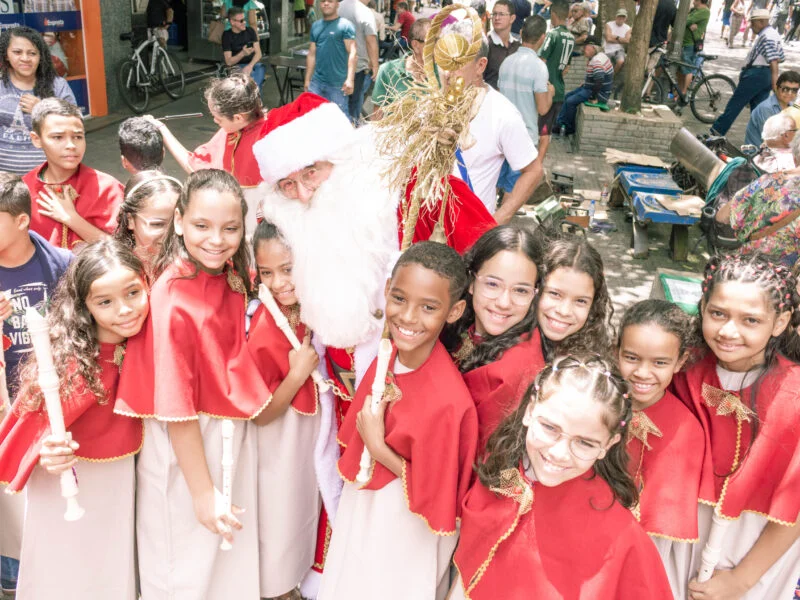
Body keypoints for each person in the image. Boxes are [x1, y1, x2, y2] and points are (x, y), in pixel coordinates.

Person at [114, 169, 269, 599]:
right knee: (182, 568)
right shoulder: (172, 295)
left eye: (230, 228)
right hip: (187, 450)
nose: (216, 239)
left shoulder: (227, 274)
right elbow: (175, 405)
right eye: (202, 226)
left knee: (221, 566)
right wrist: (203, 493)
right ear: (179, 221)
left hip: (224, 437)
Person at [318, 241, 479, 600]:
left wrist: (378, 446)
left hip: (409, 525)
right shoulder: (388, 354)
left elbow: (439, 495)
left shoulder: (449, 401)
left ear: (454, 312)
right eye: (400, 298)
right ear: (387, 290)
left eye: (428, 307)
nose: (407, 317)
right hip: (366, 507)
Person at [449, 354, 673, 599]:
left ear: (608, 444)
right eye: (549, 428)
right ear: (530, 411)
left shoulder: (620, 535)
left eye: (584, 443)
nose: (558, 453)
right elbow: (469, 570)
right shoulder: (501, 472)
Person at [0, 239, 148, 600]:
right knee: (64, 578)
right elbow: (31, 429)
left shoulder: (149, 346)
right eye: (105, 302)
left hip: (123, 487)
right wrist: (46, 451)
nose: (125, 309)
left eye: (133, 293)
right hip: (70, 485)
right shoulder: (68, 363)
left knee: (113, 577)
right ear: (84, 307)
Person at [672, 253, 800, 600]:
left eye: (751, 320)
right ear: (702, 308)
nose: (729, 331)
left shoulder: (795, 395)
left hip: (752, 554)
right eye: (718, 314)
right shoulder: (679, 368)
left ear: (780, 322)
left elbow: (795, 507)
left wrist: (741, 581)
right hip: (680, 539)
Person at [0, 172, 72, 596]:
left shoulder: (61, 264)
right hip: (6, 413)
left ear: (23, 221)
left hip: (55, 408)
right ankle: (14, 579)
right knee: (13, 511)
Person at [247, 220, 324, 600]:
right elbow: (260, 413)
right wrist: (295, 376)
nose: (279, 283)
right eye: (267, 273)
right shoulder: (264, 323)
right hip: (277, 445)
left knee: (300, 517)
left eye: (288, 268)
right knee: (279, 522)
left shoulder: (319, 306)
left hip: (307, 444)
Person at [616, 300, 707, 599]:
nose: (643, 373)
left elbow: (660, 534)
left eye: (659, 362)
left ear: (679, 362)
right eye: (631, 357)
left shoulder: (685, 432)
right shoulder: (597, 403)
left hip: (636, 557)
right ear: (616, 351)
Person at [443, 224, 546, 451]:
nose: (504, 302)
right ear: (471, 281)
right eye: (492, 284)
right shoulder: (460, 322)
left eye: (520, 290)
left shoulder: (514, 369)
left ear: (535, 293)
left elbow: (473, 456)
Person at [441, 19, 541, 222]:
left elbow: (534, 171)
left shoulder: (502, 113)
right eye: (443, 60)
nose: (447, 71)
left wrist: (496, 221)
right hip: (426, 230)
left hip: (468, 233)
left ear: (480, 66)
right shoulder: (431, 105)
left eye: (457, 62)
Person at [148, 73, 266, 236]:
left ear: (238, 117)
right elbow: (196, 164)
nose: (215, 122)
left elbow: (197, 169)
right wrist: (162, 129)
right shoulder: (235, 129)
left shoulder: (265, 141)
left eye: (218, 119)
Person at [23, 98, 123, 250]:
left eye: (78, 137)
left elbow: (122, 251)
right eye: (58, 137)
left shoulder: (107, 188)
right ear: (36, 139)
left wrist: (72, 218)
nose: (71, 145)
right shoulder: (24, 189)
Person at [0, 27, 76, 174]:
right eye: (17, 52)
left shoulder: (57, 85)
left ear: (41, 56)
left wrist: (42, 109)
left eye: (32, 53)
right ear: (6, 55)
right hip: (4, 182)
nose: (25, 58)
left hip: (50, 177)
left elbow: (74, 126)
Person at [716, 134, 800, 265]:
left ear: (794, 158)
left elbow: (722, 216)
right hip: (790, 277)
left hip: (753, 268)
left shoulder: (767, 182)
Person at [535, 236, 613, 361]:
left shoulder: (591, 361)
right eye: (555, 294)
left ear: (593, 305)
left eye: (581, 301)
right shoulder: (508, 342)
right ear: (536, 287)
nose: (564, 311)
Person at [713, 9, 785, 136]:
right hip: (763, 75)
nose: (751, 26)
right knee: (758, 111)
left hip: (756, 75)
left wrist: (775, 85)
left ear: (762, 21)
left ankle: (716, 132)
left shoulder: (767, 36)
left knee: (734, 105)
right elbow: (780, 57)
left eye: (753, 23)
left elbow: (774, 61)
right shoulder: (773, 34)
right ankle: (763, 140)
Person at [498, 15, 554, 149]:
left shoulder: (506, 62)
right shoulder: (539, 67)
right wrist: (550, 93)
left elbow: (499, 100)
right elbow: (542, 109)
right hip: (525, 139)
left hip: (503, 136)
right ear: (542, 37)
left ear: (522, 33)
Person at [113, 170, 182, 277]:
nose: (171, 234)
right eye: (158, 224)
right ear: (130, 219)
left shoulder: (195, 267)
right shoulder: (114, 271)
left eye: (178, 222)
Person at [538, 0, 575, 163]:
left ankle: (537, 166)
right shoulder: (571, 38)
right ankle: (542, 162)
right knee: (547, 131)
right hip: (560, 89)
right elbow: (566, 69)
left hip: (546, 90)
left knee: (541, 131)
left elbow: (541, 61)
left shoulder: (552, 35)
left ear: (553, 15)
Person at [306, 0, 357, 115]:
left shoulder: (345, 25)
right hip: (316, 84)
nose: (326, 3)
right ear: (320, 4)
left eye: (330, 1)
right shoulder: (315, 26)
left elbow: (353, 53)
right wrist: (307, 79)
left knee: (339, 123)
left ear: (337, 4)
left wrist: (350, 79)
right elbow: (311, 54)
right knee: (313, 119)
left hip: (337, 85)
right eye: (323, 1)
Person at [371, 18, 431, 113]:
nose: (439, 47)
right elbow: (377, 113)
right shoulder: (387, 71)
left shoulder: (443, 73)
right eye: (432, 42)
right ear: (416, 45)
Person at [556, 40, 613, 136]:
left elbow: (599, 82)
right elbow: (597, 78)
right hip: (591, 88)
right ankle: (560, 123)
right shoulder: (600, 56)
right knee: (567, 96)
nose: (583, 49)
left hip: (598, 93)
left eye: (585, 47)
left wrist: (593, 97)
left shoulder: (596, 61)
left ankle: (569, 128)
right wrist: (586, 82)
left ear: (593, 47)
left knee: (570, 101)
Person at [338, 0, 379, 124]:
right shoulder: (364, 11)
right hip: (357, 67)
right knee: (354, 103)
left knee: (336, 102)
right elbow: (370, 40)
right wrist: (375, 65)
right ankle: (351, 128)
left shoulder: (338, 6)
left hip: (336, 64)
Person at [744, 69, 800, 146]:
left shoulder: (792, 105)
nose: (789, 93)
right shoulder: (766, 108)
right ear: (777, 87)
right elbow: (773, 140)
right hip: (760, 153)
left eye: (794, 90)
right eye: (785, 89)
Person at [222, 7, 266, 91]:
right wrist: (243, 53)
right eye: (241, 21)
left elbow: (258, 53)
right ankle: (255, 101)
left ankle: (252, 98)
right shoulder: (227, 35)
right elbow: (229, 62)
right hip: (236, 67)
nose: (244, 22)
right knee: (253, 81)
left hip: (253, 65)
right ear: (232, 22)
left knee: (259, 69)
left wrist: (250, 66)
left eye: (244, 19)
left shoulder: (250, 31)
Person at [484, 0, 519, 90]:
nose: (496, 18)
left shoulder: (517, 46)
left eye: (501, 14)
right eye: (494, 14)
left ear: (512, 18)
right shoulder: (485, 44)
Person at [678, 0, 711, 97]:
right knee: (681, 69)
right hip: (684, 43)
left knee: (687, 68)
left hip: (690, 44)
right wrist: (689, 21)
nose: (693, 2)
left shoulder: (704, 11)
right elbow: (685, 19)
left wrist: (688, 21)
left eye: (695, 0)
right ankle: (679, 92)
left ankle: (684, 93)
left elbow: (685, 20)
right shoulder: (694, 10)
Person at [604, 8, 631, 74]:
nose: (621, 18)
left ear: (625, 18)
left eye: (623, 17)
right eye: (619, 16)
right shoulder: (609, 24)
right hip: (608, 49)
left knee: (620, 61)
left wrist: (615, 36)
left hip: (619, 50)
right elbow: (608, 39)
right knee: (605, 66)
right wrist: (621, 39)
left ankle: (612, 76)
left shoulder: (628, 28)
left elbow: (627, 41)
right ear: (616, 16)